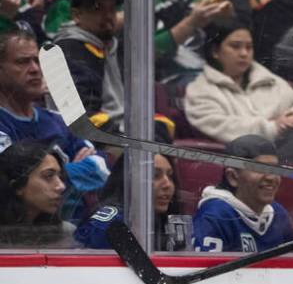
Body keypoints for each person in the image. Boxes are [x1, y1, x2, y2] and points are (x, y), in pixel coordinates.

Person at [0, 28, 108, 214]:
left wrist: (47, 176)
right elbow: (9, 183)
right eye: (22, 62)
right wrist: (73, 168)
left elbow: (100, 168)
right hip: (17, 232)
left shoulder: (59, 120)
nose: (35, 69)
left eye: (37, 60)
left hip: (71, 227)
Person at [183, 21, 293, 161]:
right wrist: (273, 127)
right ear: (215, 51)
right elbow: (221, 127)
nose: (244, 53)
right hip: (240, 159)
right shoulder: (200, 90)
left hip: (290, 146)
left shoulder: (269, 80)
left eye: (249, 47)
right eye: (235, 46)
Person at [192, 134, 293, 252]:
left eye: (275, 169)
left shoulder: (278, 213)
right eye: (260, 168)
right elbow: (206, 269)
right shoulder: (215, 215)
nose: (271, 177)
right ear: (233, 177)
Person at [74, 151, 182, 251]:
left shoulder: (168, 221)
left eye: (170, 176)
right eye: (155, 175)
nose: (168, 184)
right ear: (129, 179)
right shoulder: (109, 225)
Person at [0, 137, 71, 245]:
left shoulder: (66, 233)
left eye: (60, 177)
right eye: (49, 176)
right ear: (18, 185)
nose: (61, 186)